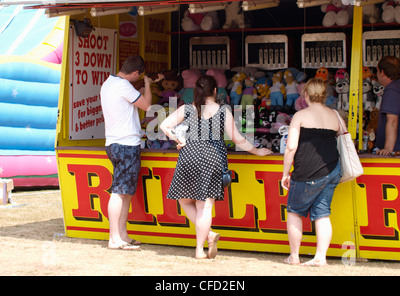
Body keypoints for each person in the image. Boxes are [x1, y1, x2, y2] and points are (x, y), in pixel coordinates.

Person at [160, 75, 272, 259]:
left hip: (189, 154)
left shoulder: (187, 108)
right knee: (205, 207)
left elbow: (165, 125)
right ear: (215, 91)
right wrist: (257, 151)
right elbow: (237, 139)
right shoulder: (223, 111)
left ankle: (207, 239)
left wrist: (178, 139)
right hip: (212, 157)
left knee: (184, 200)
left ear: (197, 90)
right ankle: (200, 248)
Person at [101, 55, 162, 250]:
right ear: (135, 73)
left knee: (124, 192)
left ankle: (122, 235)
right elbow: (148, 106)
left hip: (114, 142)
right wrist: (147, 85)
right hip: (126, 144)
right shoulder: (124, 87)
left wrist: (143, 86)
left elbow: (131, 99)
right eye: (140, 76)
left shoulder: (110, 83)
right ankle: (114, 238)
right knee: (119, 192)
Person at [281, 78, 344, 267]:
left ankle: (294, 257)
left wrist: (285, 173)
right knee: (323, 214)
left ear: (305, 95)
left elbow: (291, 147)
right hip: (332, 169)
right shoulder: (335, 115)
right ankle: (320, 257)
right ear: (325, 95)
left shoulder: (300, 115)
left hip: (307, 171)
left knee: (294, 211)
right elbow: (346, 139)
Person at [375, 56, 400, 156]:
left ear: (382, 72)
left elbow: (392, 120)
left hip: (396, 151)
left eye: (377, 71)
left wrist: (388, 148)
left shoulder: (392, 90)